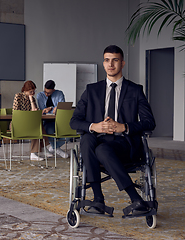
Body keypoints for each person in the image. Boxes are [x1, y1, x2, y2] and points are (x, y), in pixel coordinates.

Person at [70, 45, 156, 216]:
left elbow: (150, 122)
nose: (111, 64)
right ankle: (99, 199)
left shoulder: (135, 90)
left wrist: (124, 127)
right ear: (103, 63)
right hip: (96, 140)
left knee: (101, 149)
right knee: (87, 139)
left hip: (124, 143)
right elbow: (74, 121)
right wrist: (94, 126)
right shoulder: (91, 90)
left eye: (115, 60)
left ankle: (133, 198)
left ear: (122, 63)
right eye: (107, 60)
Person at [12, 80, 53, 161]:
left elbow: (34, 111)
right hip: (17, 124)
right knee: (36, 126)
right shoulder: (18, 96)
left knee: (38, 125)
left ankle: (37, 152)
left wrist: (31, 100)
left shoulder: (32, 98)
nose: (33, 93)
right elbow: (15, 112)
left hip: (29, 123)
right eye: (31, 91)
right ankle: (40, 150)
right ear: (25, 90)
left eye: (34, 91)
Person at [36, 80, 69, 158]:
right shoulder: (40, 95)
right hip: (48, 121)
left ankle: (54, 147)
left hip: (60, 120)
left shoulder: (59, 93)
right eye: (45, 92)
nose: (46, 94)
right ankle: (56, 149)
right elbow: (43, 110)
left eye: (49, 93)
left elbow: (62, 107)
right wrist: (52, 108)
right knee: (49, 131)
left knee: (70, 131)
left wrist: (53, 108)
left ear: (53, 90)